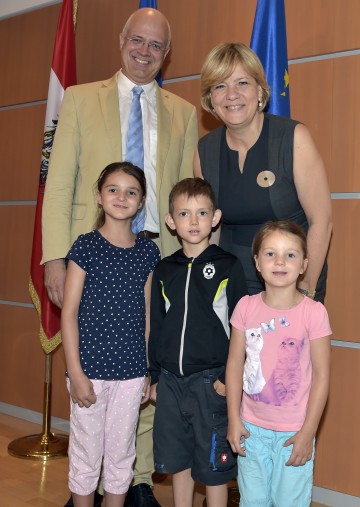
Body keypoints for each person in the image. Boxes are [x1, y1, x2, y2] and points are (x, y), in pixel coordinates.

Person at [42, 7, 198, 507]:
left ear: (166, 54)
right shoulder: (81, 100)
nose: (145, 52)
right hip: (94, 253)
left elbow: (185, 189)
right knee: (92, 370)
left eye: (156, 45)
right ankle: (85, 483)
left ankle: (137, 480)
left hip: (159, 257)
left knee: (144, 371)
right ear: (121, 39)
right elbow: (60, 182)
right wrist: (53, 257)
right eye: (138, 40)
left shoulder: (185, 112)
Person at [194, 42, 332, 303]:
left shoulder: (293, 138)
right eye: (220, 86)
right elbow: (209, 229)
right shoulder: (204, 151)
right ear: (210, 98)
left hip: (291, 280)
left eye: (242, 83)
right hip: (230, 283)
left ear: (260, 89)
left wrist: (304, 292)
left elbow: (321, 221)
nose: (231, 94)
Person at [61, 162, 161, 507]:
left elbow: (148, 315)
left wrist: (148, 370)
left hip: (132, 375)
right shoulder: (86, 246)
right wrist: (75, 372)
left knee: (121, 455)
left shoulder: (148, 253)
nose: (122, 197)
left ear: (142, 201)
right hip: (89, 372)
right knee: (87, 454)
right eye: (113, 189)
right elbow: (69, 313)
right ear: (100, 197)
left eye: (131, 191)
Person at [148, 178, 248, 507]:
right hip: (172, 384)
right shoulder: (164, 270)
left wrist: (226, 378)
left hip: (211, 382)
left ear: (215, 218)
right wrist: (155, 376)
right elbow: (158, 327)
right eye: (185, 214)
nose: (193, 222)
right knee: (179, 460)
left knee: (213, 466)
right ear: (170, 220)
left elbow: (241, 329)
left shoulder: (228, 267)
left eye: (202, 213)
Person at [226, 220, 331, 507]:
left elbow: (322, 377)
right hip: (251, 430)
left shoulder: (314, 313)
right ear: (257, 262)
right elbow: (235, 365)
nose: (280, 261)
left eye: (290, 254)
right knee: (253, 501)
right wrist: (234, 420)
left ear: (304, 264)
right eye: (270, 253)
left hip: (295, 431)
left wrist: (308, 431)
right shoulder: (246, 307)